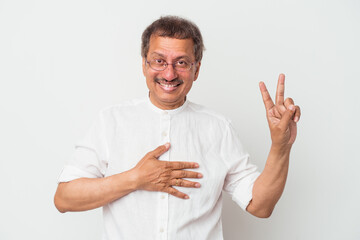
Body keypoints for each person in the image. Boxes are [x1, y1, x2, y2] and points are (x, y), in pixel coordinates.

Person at [54, 15, 301, 239]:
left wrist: (281, 146)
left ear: (197, 69)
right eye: (159, 61)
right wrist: (135, 179)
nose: (169, 74)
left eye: (181, 62)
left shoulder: (218, 128)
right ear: (144, 64)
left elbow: (260, 205)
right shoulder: (111, 121)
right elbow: (64, 198)